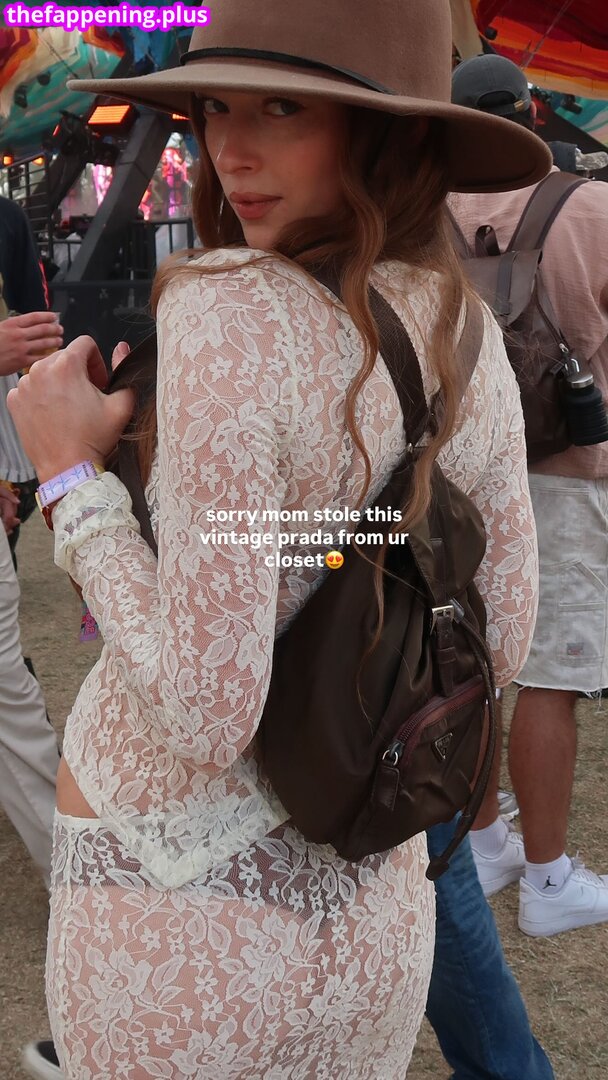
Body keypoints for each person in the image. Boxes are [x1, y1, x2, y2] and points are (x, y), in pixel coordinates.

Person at [10, 1, 551, 1075]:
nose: (232, 149)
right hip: (372, 907)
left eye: (283, 109)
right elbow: (501, 641)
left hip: (175, 903)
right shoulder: (461, 325)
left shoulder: (227, 309)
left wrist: (73, 482)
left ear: (387, 135)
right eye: (216, 106)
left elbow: (207, 713)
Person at [451, 52, 608, 937]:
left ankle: (484, 841)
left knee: (475, 659)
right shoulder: (589, 208)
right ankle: (548, 881)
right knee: (552, 674)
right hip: (566, 472)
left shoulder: (420, 214)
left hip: (459, 474)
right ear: (533, 112)